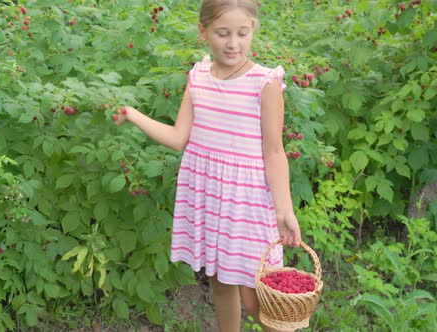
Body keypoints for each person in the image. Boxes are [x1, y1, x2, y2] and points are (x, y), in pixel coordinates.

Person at [113, 0, 301, 330]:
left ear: (253, 30)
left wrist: (284, 211)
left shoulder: (265, 83)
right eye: (223, 33)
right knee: (221, 282)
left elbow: (274, 152)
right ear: (204, 31)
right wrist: (131, 113)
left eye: (243, 33)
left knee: (257, 297)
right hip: (211, 196)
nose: (233, 43)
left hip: (247, 202)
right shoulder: (198, 76)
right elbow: (177, 137)